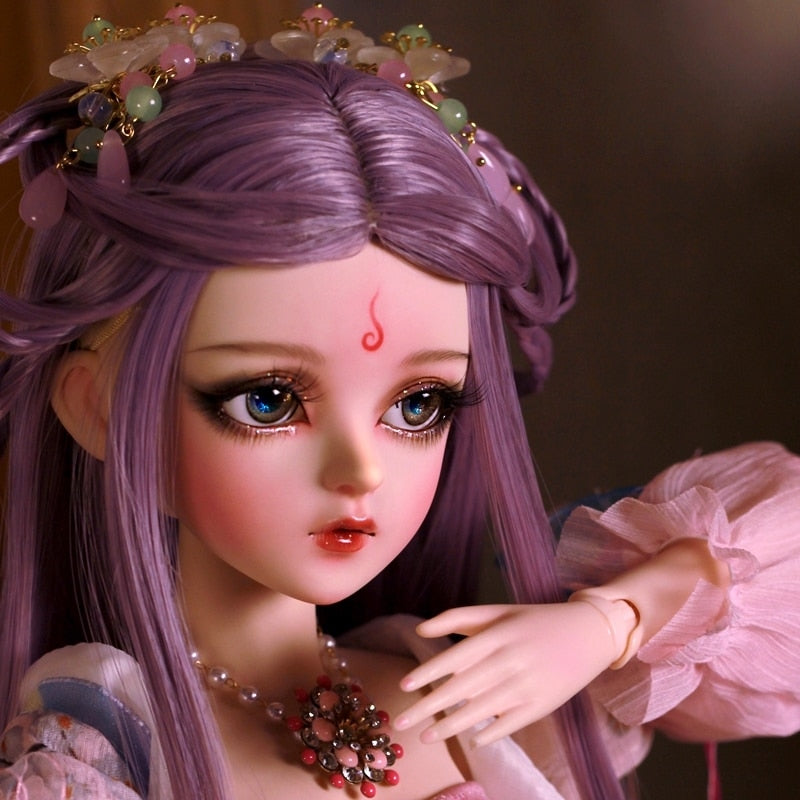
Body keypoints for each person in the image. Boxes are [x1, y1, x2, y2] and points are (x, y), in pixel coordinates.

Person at [1, 6, 798, 799]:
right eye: (268, 402)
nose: (361, 470)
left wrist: (615, 620)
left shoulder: (475, 690)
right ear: (98, 409)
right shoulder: (97, 748)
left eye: (418, 407)